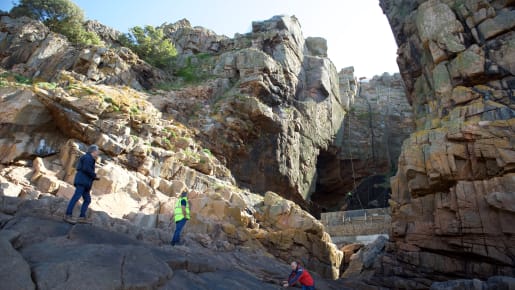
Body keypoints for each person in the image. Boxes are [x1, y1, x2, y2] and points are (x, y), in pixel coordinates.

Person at [63, 144, 100, 224]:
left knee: (87, 199)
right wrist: (94, 175)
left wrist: (94, 177)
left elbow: (86, 169)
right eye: (97, 151)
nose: (98, 153)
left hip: (85, 182)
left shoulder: (89, 158)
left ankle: (82, 217)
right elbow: (86, 169)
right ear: (93, 151)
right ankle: (67, 215)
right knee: (76, 197)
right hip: (82, 181)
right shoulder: (87, 157)